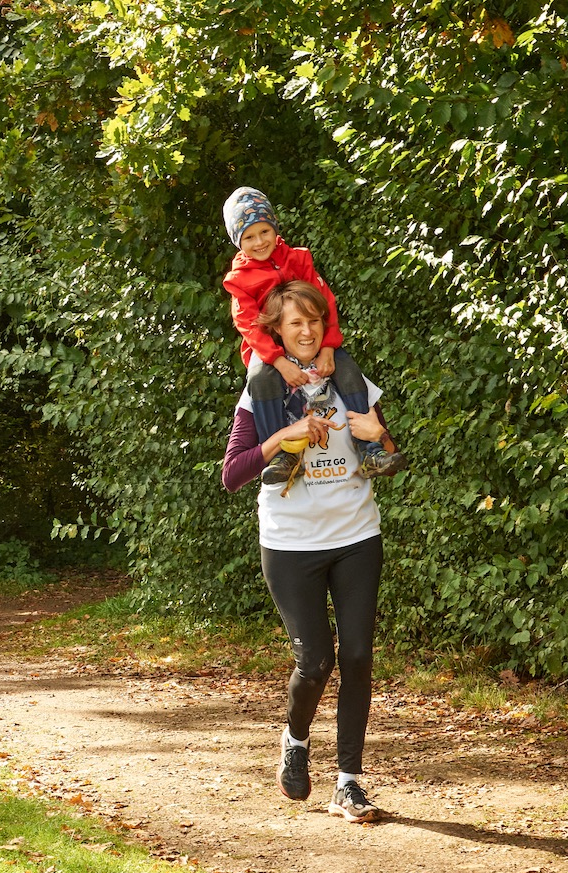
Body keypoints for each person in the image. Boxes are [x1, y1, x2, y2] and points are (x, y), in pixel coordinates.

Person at [221, 281, 398, 823]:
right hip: (291, 543)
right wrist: (286, 434)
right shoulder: (262, 393)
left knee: (358, 656)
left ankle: (349, 783)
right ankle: (295, 741)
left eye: (314, 321)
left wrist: (380, 435)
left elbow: (387, 455)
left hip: (356, 536)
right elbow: (233, 473)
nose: (306, 331)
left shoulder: (349, 381)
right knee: (316, 661)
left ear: (326, 326)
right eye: (294, 323)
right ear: (276, 332)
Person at [222, 186, 407, 484]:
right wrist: (278, 360)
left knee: (347, 368)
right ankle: (284, 456)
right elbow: (248, 325)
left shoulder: (297, 259)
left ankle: (370, 451)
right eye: (249, 237)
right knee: (260, 377)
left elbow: (325, 303)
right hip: (266, 349)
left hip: (321, 350)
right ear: (238, 242)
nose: (259, 242)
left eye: (264, 231)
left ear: (275, 227)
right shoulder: (239, 279)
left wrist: (329, 347)